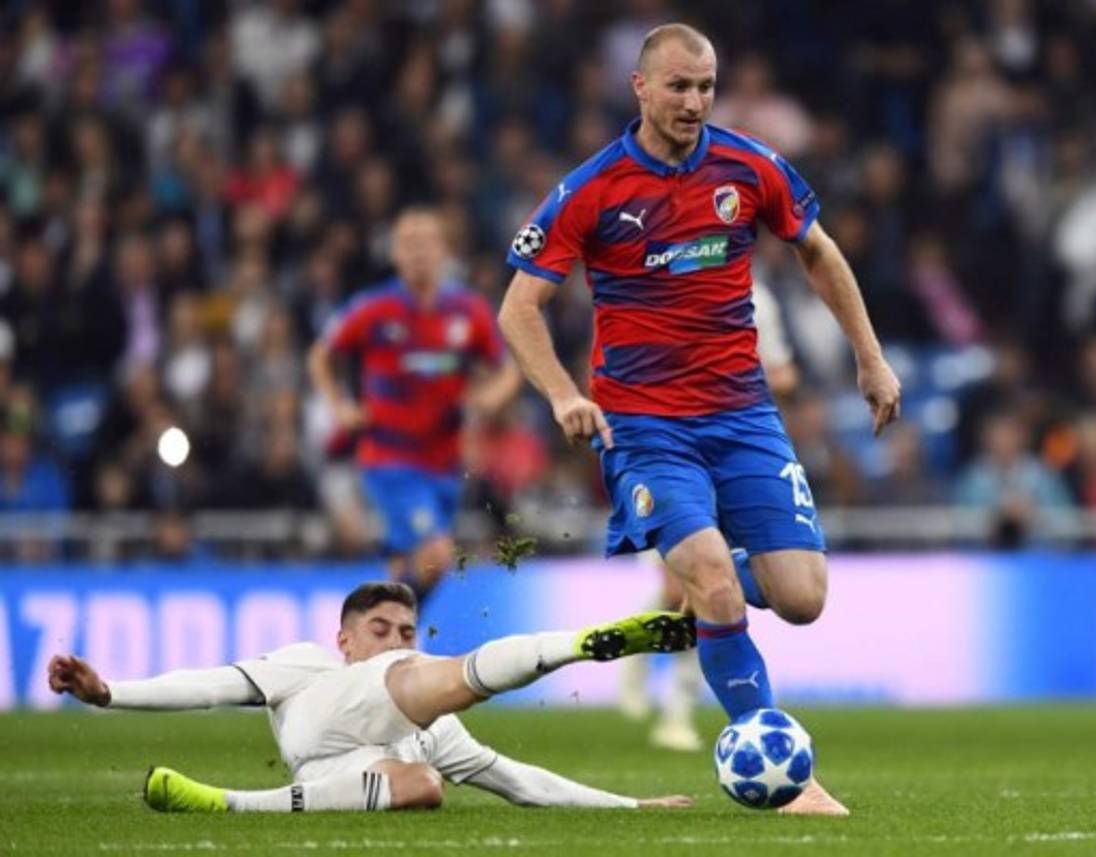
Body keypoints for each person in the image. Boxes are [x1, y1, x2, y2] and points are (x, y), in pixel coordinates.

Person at [498, 23, 900, 816]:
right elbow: (519, 307)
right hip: (645, 428)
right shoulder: (592, 187)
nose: (693, 101)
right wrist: (562, 393)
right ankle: (786, 775)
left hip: (744, 414)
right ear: (640, 87)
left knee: (802, 596)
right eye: (678, 86)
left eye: (706, 86)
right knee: (715, 581)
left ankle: (698, 591)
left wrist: (870, 356)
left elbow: (818, 251)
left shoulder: (749, 166)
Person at [47, 582, 693, 814]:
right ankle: (576, 645)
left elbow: (518, 781)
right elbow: (210, 684)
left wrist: (631, 804)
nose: (393, 640)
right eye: (379, 630)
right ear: (345, 639)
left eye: (406, 630)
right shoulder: (306, 663)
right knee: (425, 678)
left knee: (423, 785)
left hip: (341, 774)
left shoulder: (434, 734)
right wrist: (109, 693)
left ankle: (225, 803)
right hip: (331, 714)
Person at [618, 281, 797, 753]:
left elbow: (783, 375)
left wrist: (736, 380)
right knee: (681, 589)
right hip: (668, 454)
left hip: (734, 452)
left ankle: (676, 713)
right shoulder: (655, 282)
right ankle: (634, 660)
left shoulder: (759, 299)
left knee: (709, 588)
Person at [308, 208, 520, 601]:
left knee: (406, 568)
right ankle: (390, 628)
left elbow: (508, 370)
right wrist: (339, 406)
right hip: (389, 459)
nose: (419, 251)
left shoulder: (468, 311)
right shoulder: (373, 308)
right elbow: (321, 355)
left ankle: (388, 629)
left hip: (444, 462)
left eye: (427, 242)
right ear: (395, 253)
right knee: (437, 554)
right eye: (409, 243)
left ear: (444, 250)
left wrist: (491, 397)